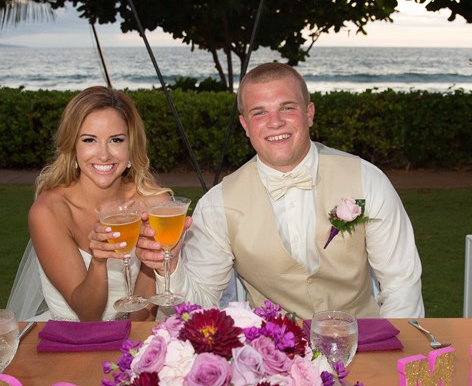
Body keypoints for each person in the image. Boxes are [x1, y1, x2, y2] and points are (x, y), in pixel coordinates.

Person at [137, 62, 424, 319]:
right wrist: (170, 267)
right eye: (260, 112)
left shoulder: (367, 179)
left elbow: (401, 284)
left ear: (309, 113)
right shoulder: (217, 204)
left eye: (287, 107)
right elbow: (197, 307)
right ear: (245, 125)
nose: (275, 122)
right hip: (271, 355)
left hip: (362, 342)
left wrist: (391, 351)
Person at [7, 86, 170, 321]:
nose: (104, 155)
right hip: (73, 339)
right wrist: (98, 261)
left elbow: (141, 319)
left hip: (138, 337)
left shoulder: (155, 205)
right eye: (89, 140)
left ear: (131, 145)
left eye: (116, 140)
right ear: (73, 146)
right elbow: (88, 315)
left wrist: (149, 263)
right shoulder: (50, 211)